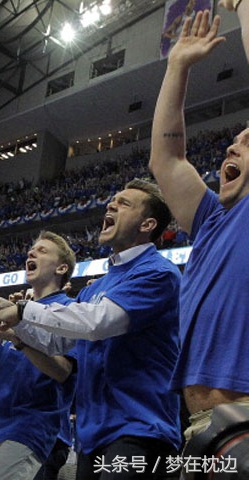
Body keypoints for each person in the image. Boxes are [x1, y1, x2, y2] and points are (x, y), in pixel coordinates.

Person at [0, 179, 182, 479]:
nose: (111, 204)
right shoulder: (93, 289)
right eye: (113, 200)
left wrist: (24, 310)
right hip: (92, 436)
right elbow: (59, 342)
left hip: (140, 428)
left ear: (147, 224)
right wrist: (16, 327)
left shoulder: (158, 272)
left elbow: (98, 322)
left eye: (124, 203)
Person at [148, 5, 249, 441]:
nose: (232, 144)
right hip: (201, 428)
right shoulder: (211, 218)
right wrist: (177, 67)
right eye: (234, 138)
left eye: (248, 141)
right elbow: (166, 159)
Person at [0, 232, 76, 480]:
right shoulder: (14, 313)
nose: (31, 253)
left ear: (61, 268)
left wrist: (19, 338)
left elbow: (62, 371)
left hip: (33, 428)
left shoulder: (68, 310)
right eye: (32, 249)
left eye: (42, 251)